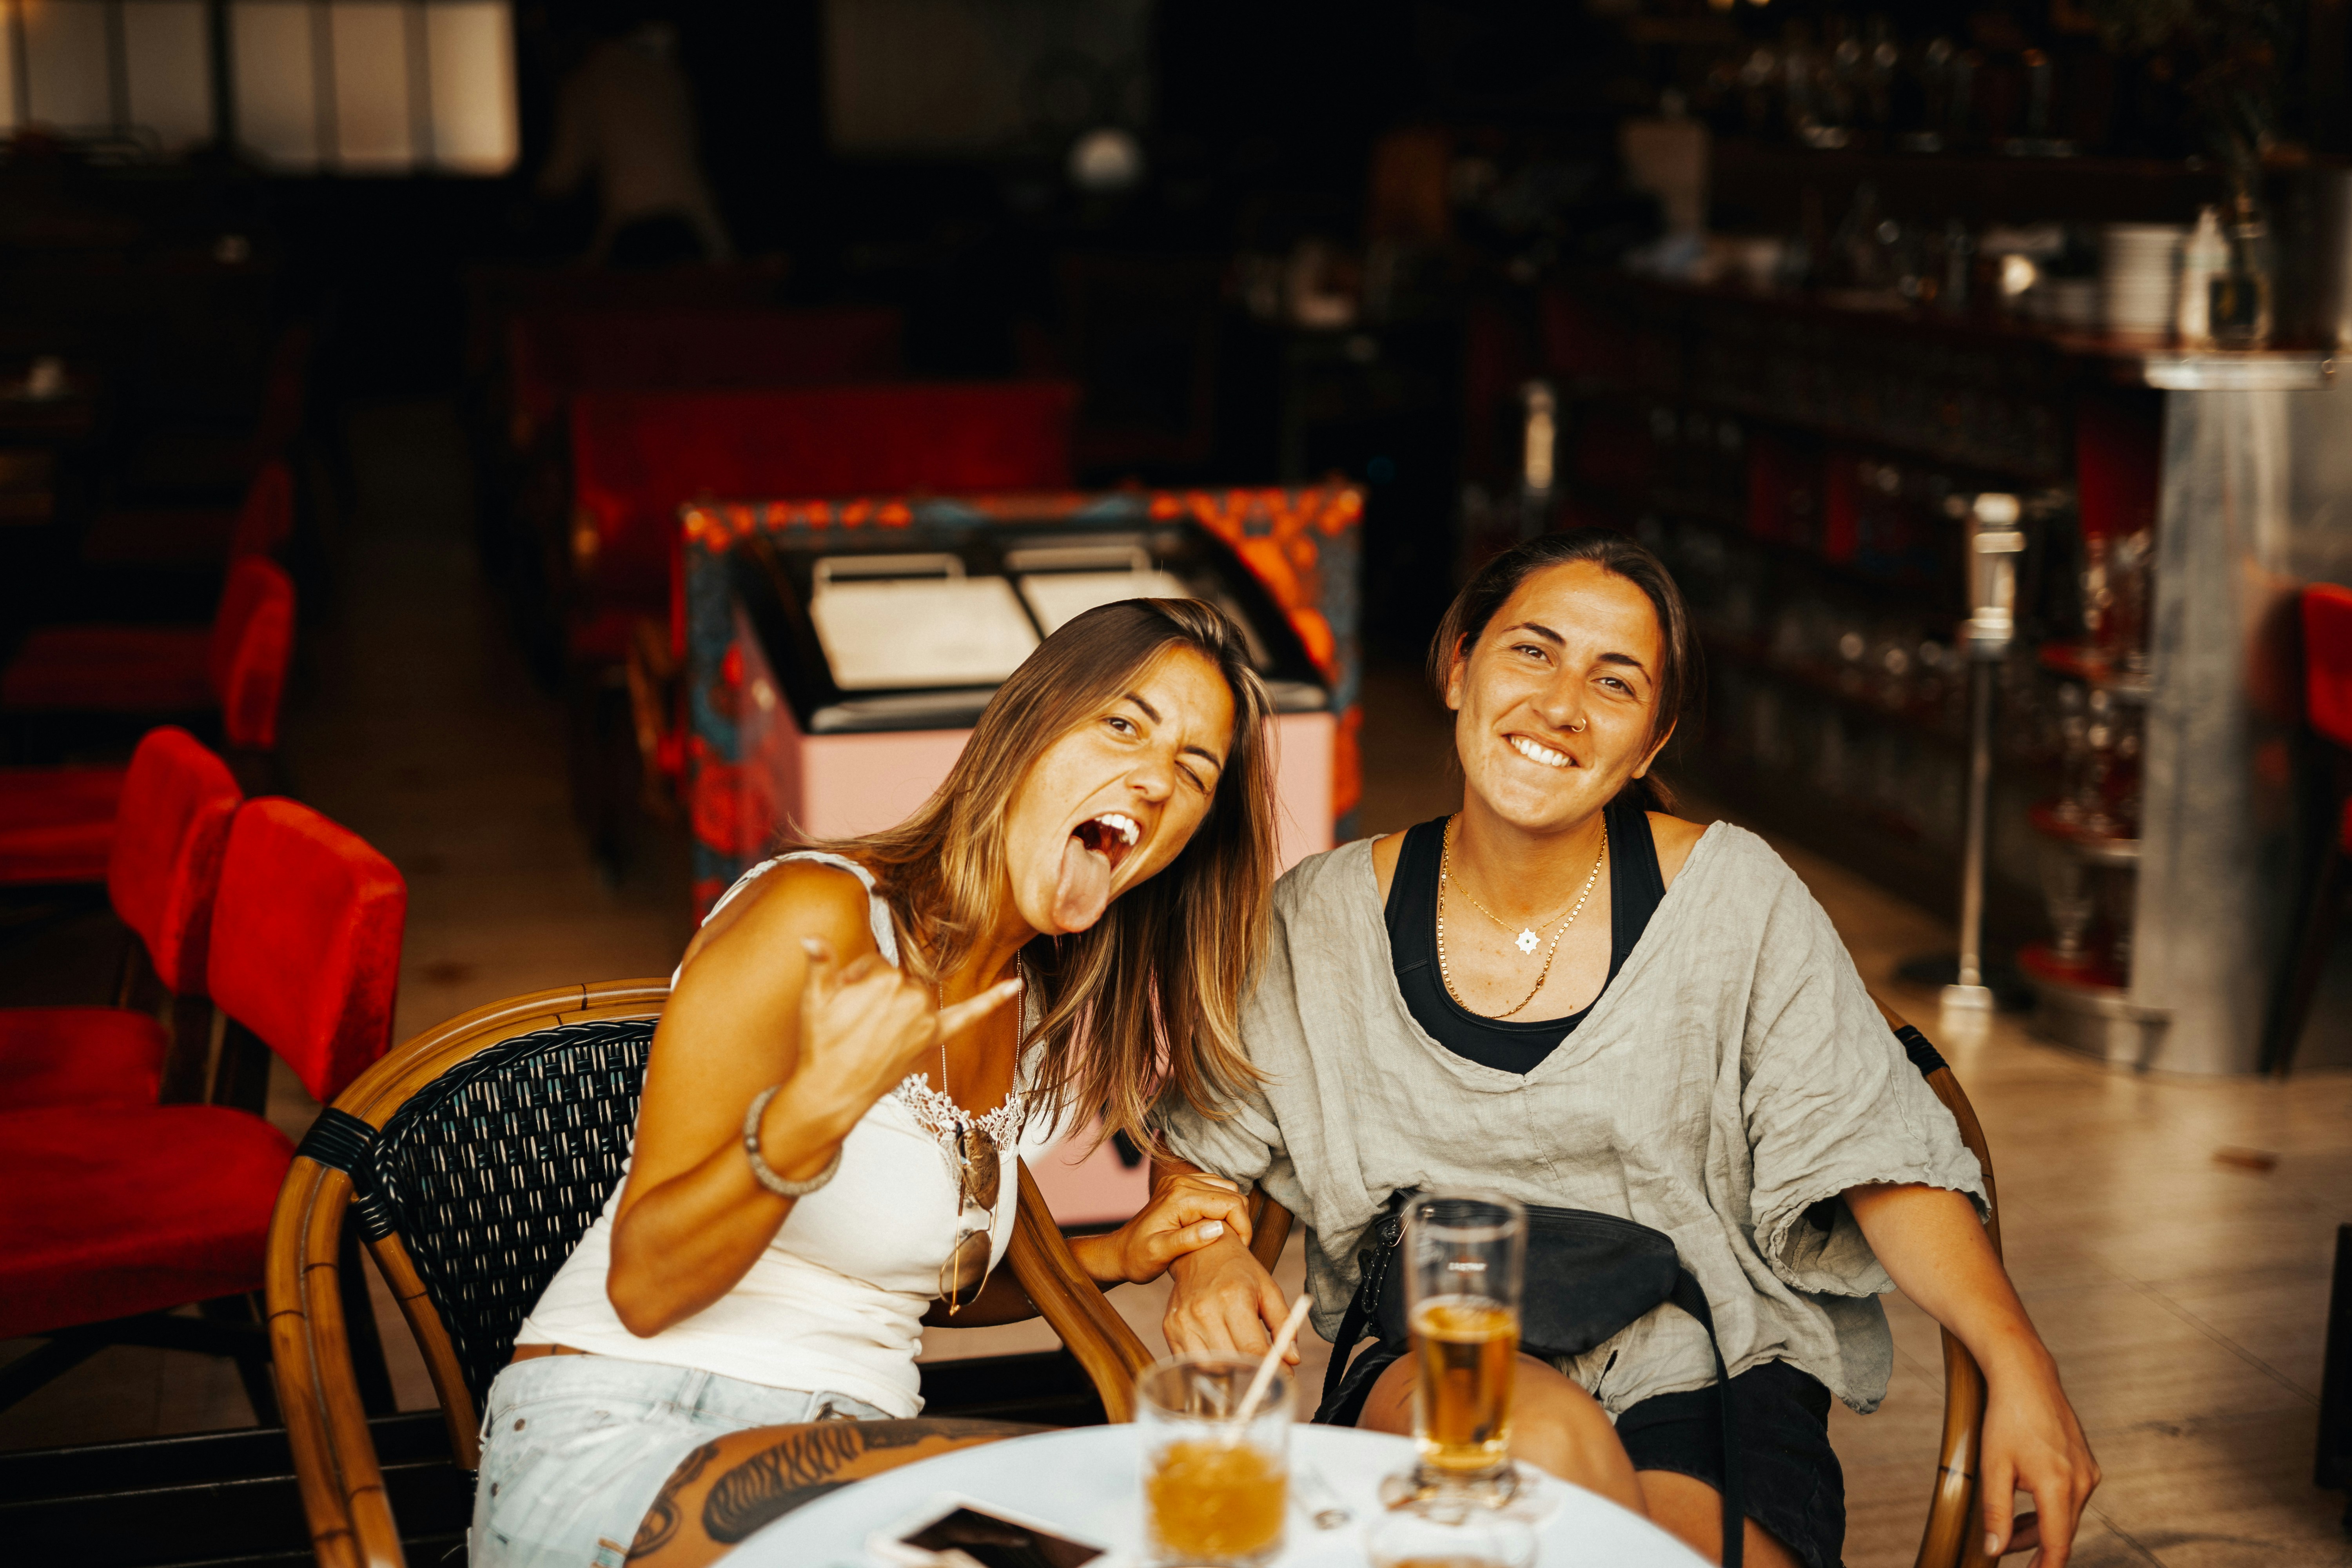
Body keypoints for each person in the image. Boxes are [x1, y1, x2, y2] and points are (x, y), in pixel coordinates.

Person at [1152, 532, 2100, 1568]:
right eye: (1533, 653)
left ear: (1651, 741)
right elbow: (1209, 1140)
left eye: (1616, 681)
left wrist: (2021, 1363)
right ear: (1459, 666)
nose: (1562, 705)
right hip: (1443, 1351)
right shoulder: (1319, 919)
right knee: (1539, 1460)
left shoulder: (1735, 896)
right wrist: (1206, 1262)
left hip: (1710, 1358)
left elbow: (1874, 1149)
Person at [473, 599, 1281, 1568]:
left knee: (1170, 1526)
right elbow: (646, 1288)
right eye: (1123, 723)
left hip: (839, 1451)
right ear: (1025, 723)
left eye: (1194, 771)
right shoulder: (821, 918)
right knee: (1131, 1520)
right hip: (635, 1431)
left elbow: (912, 1282)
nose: (1154, 778)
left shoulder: (1020, 1003)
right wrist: (811, 1115)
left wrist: (1114, 1254)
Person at [539, 15, 735, 267]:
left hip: (636, 231)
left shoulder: (588, 77)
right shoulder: (666, 69)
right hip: (697, 224)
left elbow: (561, 175)